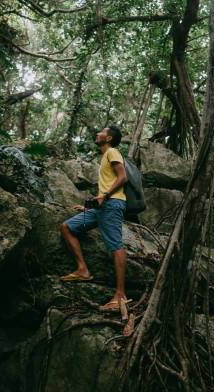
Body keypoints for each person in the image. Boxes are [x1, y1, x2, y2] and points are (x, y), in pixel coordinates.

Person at [59, 125, 129, 311]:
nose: (98, 133)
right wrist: (90, 206)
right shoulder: (105, 156)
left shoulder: (112, 152)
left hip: (112, 205)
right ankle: (83, 270)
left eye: (102, 132)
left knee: (116, 245)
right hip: (101, 209)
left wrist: (105, 195)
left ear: (108, 139)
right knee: (67, 227)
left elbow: (123, 177)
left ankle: (120, 294)